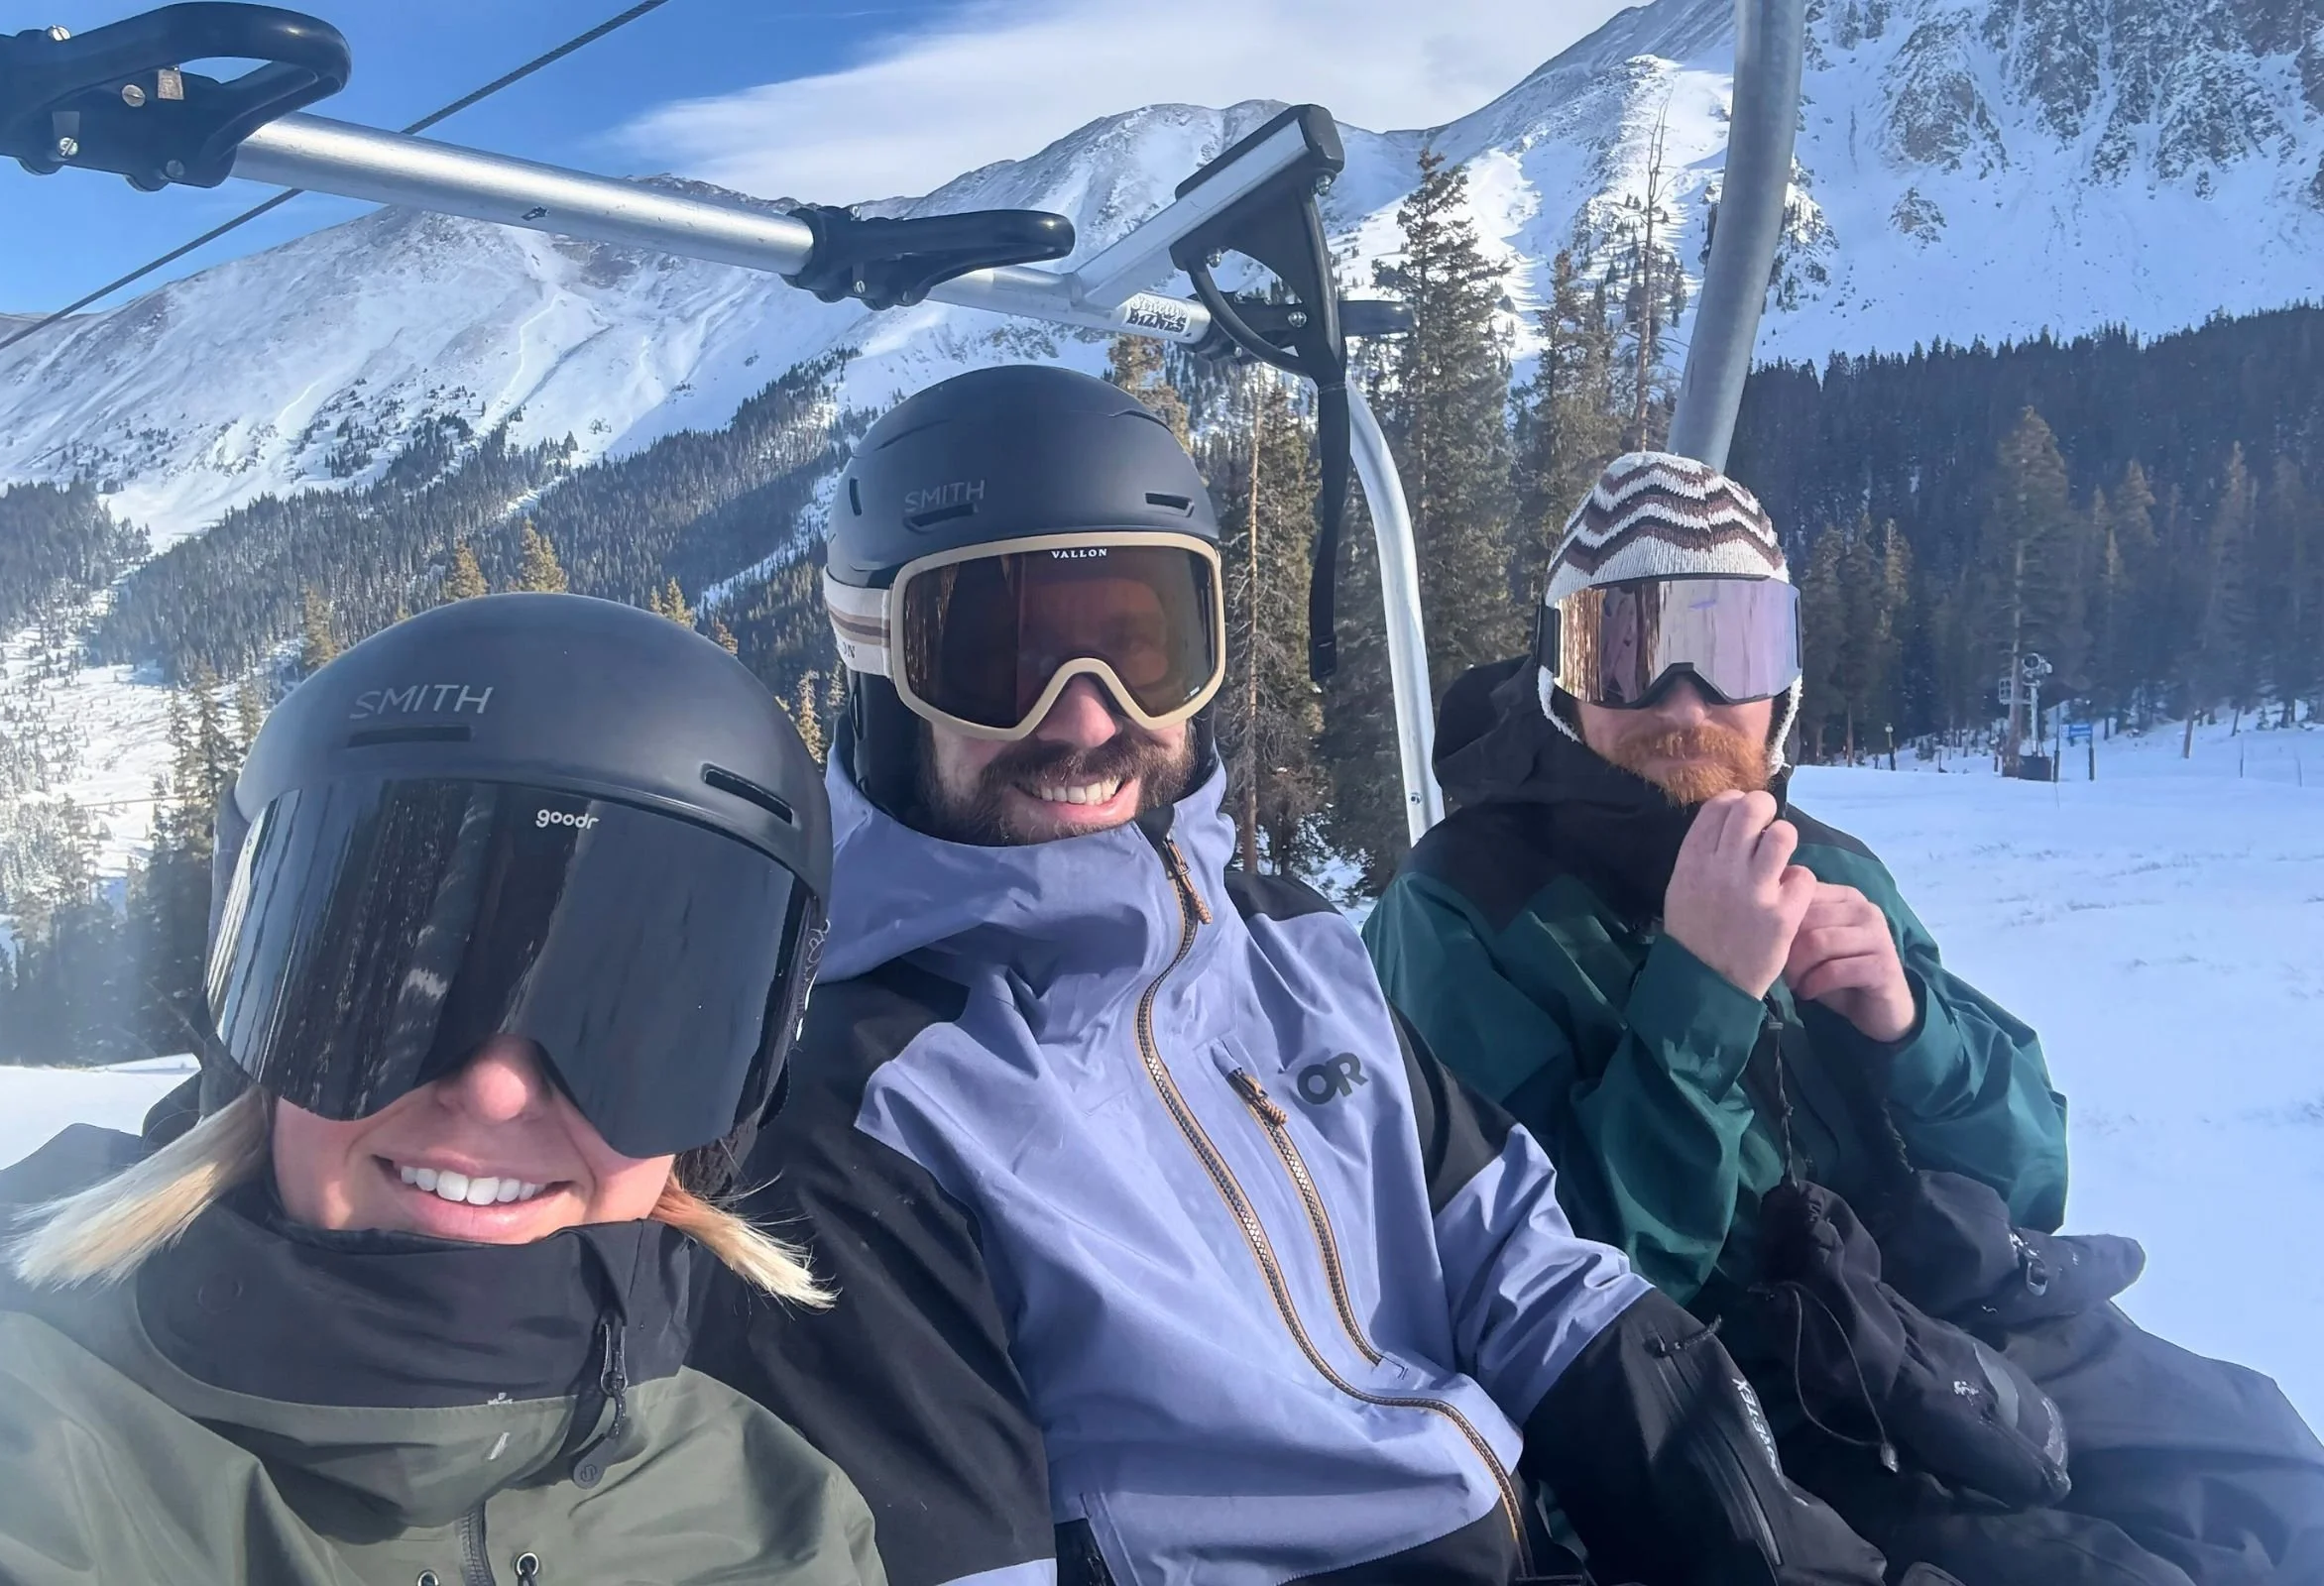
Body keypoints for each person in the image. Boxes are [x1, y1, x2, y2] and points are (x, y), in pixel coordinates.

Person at [691, 367, 1924, 1586]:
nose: (1085, 718)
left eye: (1141, 648)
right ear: (883, 678)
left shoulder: (1289, 947)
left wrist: (1775, 1545)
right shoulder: (858, 1116)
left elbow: (1527, 1272)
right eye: (995, 661)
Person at [1366, 451, 2324, 1585]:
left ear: (1782, 687)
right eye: (1625, 652)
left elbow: (2032, 1177)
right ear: (1561, 682)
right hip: (1744, 1401)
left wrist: (1910, 1031)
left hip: (1949, 1317)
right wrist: (1700, 997)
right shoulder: (1465, 909)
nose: (1683, 702)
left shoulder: (1828, 862)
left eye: (1730, 651)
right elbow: (1541, 1293)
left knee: (2277, 1484)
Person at [0, 594, 886, 1586]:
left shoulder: (786, 1525)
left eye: (624, 1031)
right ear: (251, 1051)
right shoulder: (17, 1461)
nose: (494, 1092)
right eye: (395, 1000)